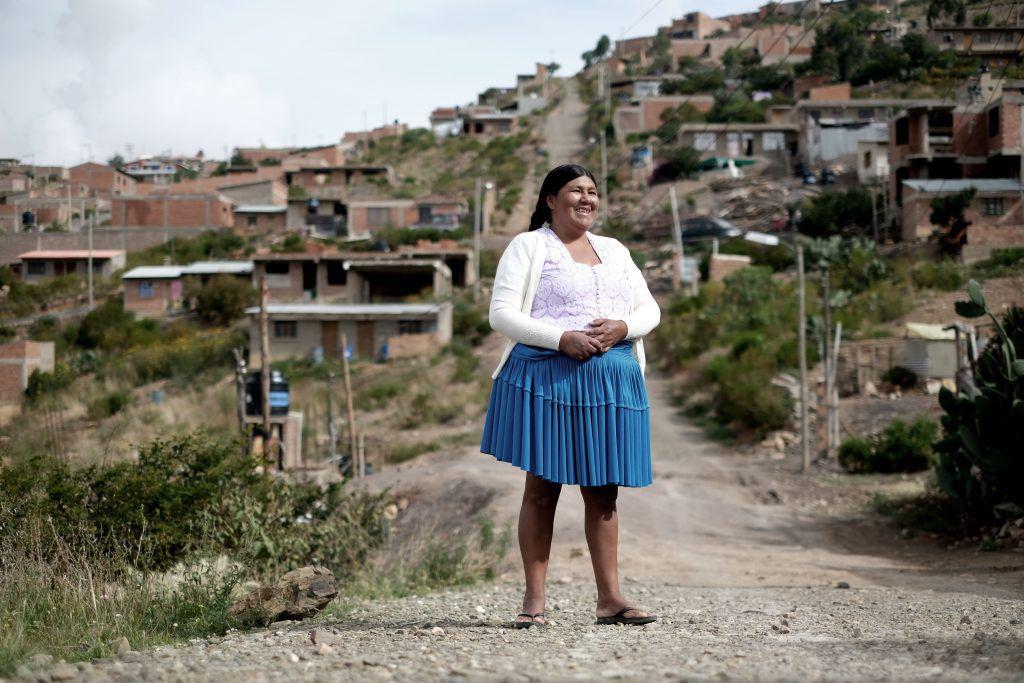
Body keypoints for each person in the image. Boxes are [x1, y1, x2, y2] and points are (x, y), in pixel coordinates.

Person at [480, 164, 661, 629]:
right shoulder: (528, 247)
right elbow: (501, 314)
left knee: (604, 492)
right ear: (550, 200)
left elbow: (649, 309)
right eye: (576, 191)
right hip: (548, 380)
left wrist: (624, 326)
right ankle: (534, 602)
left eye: (593, 192)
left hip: (609, 384)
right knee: (542, 489)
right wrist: (561, 338)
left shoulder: (616, 251)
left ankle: (611, 600)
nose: (587, 199)